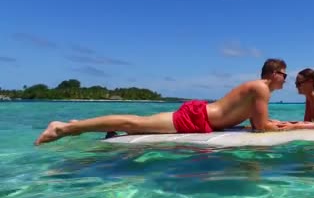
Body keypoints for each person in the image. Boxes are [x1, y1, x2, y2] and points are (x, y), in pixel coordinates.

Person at [34, 58, 292, 145]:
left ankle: (83, 124)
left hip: (200, 117)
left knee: (136, 124)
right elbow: (260, 128)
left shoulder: (259, 91)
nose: (286, 79)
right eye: (284, 74)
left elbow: (254, 119)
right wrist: (297, 126)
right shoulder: (261, 88)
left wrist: (271, 121)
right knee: (133, 122)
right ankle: (63, 128)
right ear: (272, 73)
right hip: (195, 118)